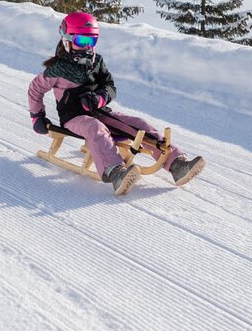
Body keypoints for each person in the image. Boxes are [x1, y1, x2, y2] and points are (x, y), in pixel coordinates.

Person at [28, 12, 205, 196]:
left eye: (92, 41)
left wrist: (99, 99)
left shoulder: (96, 62)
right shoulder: (57, 70)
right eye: (82, 41)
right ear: (67, 39)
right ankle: (115, 172)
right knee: (95, 128)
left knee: (139, 124)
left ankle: (177, 164)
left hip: (101, 111)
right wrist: (37, 117)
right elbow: (34, 89)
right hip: (73, 117)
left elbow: (110, 86)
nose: (87, 47)